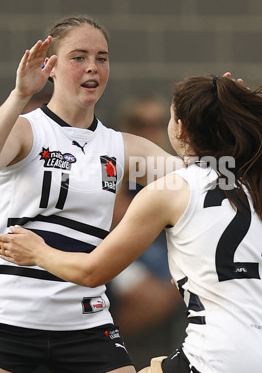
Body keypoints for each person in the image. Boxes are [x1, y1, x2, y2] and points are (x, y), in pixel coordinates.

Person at [0, 74, 262, 372]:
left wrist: (38, 252)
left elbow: (91, 272)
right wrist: (237, 105)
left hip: (224, 353)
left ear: (180, 129)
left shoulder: (169, 190)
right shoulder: (261, 183)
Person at [0, 15, 205, 373]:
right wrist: (20, 94)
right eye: (79, 57)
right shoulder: (27, 130)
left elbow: (206, 176)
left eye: (101, 58)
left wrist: (228, 113)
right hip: (8, 318)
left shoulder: (120, 146)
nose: (93, 67)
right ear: (51, 67)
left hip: (85, 324)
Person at [108, 95, 183, 343]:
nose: (149, 130)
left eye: (156, 123)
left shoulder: (174, 163)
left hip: (165, 255)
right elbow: (112, 218)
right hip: (120, 253)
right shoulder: (117, 158)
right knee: (147, 298)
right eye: (141, 123)